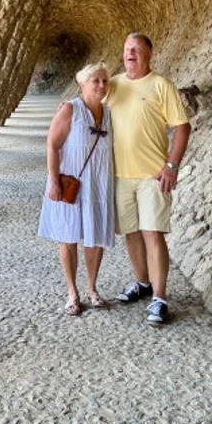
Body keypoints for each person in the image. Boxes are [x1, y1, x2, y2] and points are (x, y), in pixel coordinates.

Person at [107, 33, 190, 325]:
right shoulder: (113, 85)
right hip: (120, 174)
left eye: (137, 50)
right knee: (131, 233)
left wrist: (172, 165)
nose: (131, 54)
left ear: (149, 55)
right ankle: (142, 283)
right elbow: (89, 103)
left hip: (153, 176)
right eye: (127, 49)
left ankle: (160, 297)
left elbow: (182, 127)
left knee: (152, 233)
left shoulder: (161, 86)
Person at [39, 62, 115, 316]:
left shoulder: (109, 114)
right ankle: (73, 292)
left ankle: (92, 289)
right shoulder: (70, 109)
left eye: (105, 81)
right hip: (71, 182)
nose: (102, 85)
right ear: (82, 83)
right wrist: (53, 180)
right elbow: (52, 144)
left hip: (99, 184)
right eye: (96, 80)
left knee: (95, 239)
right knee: (68, 236)